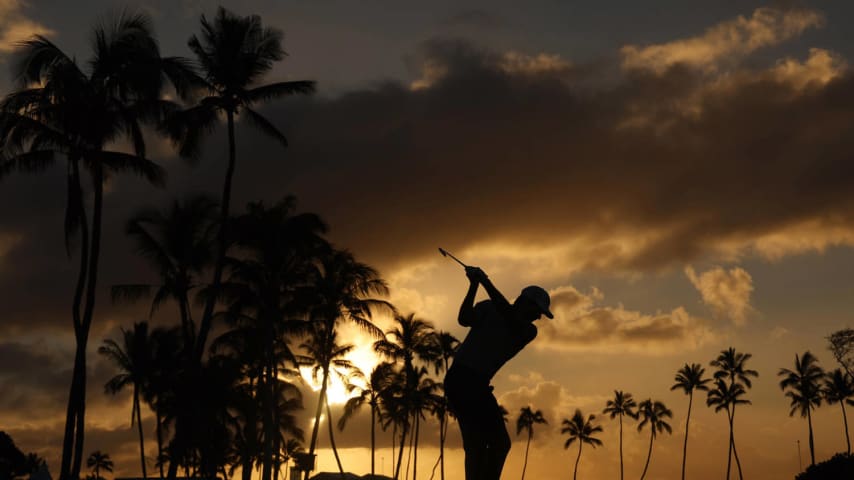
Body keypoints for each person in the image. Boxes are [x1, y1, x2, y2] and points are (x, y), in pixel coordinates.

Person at [444, 265, 553, 480]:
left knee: (494, 444)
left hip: (476, 384)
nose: (539, 317)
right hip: (462, 379)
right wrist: (474, 284)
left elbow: (509, 316)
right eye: (537, 311)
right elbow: (464, 319)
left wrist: (485, 281)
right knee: (483, 444)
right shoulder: (488, 307)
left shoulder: (527, 331)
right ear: (524, 302)